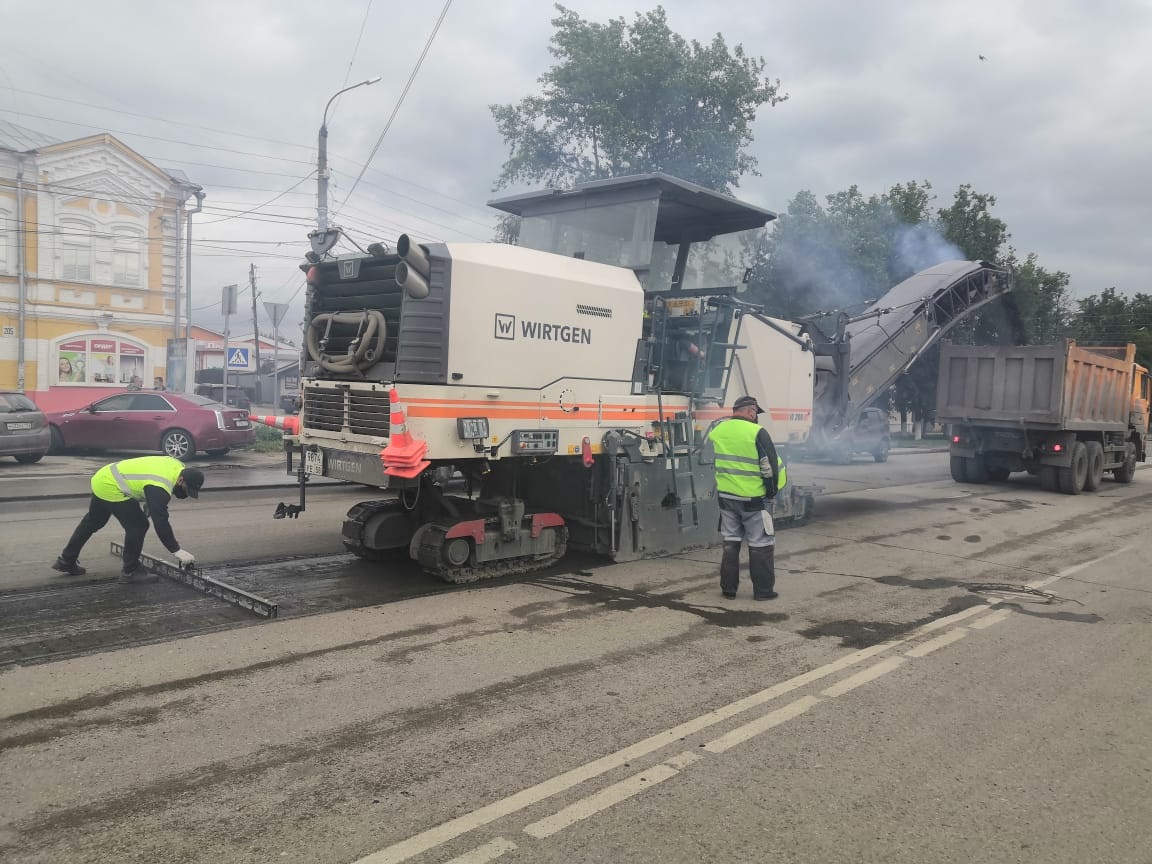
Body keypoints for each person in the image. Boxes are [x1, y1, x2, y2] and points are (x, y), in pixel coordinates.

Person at [52, 456, 203, 583]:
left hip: (104, 476)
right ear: (181, 480)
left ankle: (66, 560)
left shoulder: (176, 466)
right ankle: (130, 571)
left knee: (93, 521)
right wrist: (176, 550)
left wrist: (151, 504)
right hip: (112, 486)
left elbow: (148, 477)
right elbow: (161, 520)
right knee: (138, 525)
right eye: (186, 490)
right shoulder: (160, 486)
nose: (185, 495)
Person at [706, 395, 785, 600]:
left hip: (726, 497)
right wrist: (771, 492)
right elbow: (769, 468)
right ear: (750, 411)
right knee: (761, 544)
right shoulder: (757, 432)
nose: (756, 417)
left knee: (731, 543)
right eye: (755, 413)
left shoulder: (718, 431)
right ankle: (763, 591)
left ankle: (728, 589)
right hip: (754, 499)